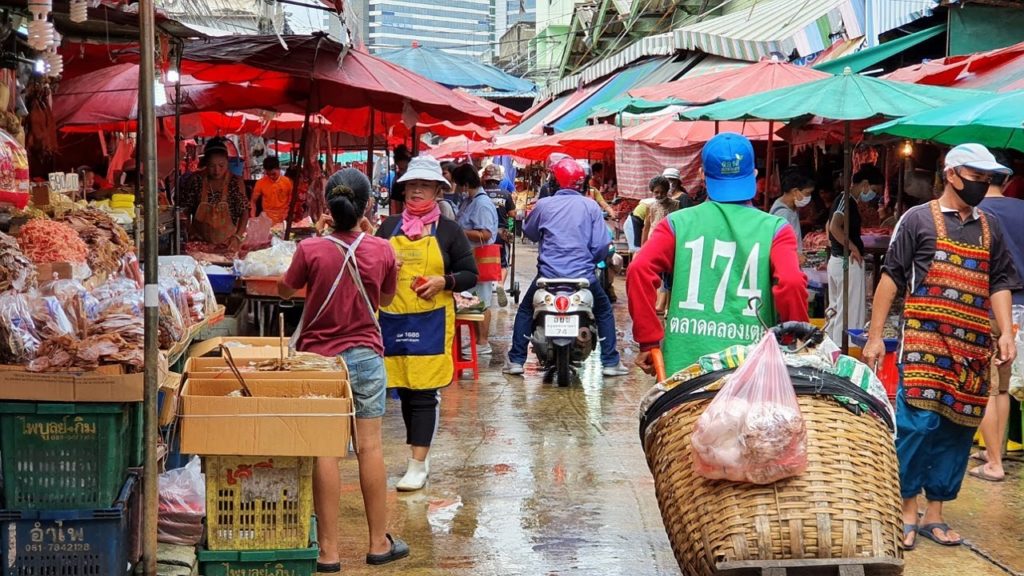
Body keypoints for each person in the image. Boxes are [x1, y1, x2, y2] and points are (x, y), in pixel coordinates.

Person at [863, 144, 1019, 550]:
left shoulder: (990, 227)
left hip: (971, 346)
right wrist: (876, 335)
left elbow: (999, 281)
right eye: (976, 176)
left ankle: (936, 513)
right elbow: (892, 277)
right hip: (924, 340)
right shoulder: (917, 220)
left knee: (958, 428)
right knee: (917, 426)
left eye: (987, 178)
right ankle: (906, 508)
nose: (982, 184)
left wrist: (1005, 331)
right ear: (951, 174)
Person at [278, 168, 409, 569]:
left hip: (320, 363)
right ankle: (377, 545)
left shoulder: (311, 249)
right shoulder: (382, 250)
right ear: (367, 206)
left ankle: (328, 552)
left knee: (325, 451)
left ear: (329, 209)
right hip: (367, 357)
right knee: (369, 447)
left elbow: (285, 289)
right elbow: (384, 300)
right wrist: (372, 242)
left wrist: (319, 237)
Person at [626, 133, 808, 376]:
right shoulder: (776, 229)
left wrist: (648, 340)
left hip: (684, 371)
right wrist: (792, 338)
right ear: (754, 174)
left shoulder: (676, 224)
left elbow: (638, 269)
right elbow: (792, 282)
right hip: (753, 370)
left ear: (702, 174)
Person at [376, 156, 478, 492]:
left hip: (431, 322)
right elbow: (369, 269)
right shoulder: (388, 228)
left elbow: (470, 275)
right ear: (403, 189)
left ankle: (417, 465)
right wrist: (388, 266)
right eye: (411, 184)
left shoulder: (449, 231)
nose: (417, 189)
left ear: (437, 189)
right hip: (392, 319)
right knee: (404, 391)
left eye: (424, 184)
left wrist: (443, 281)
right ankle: (421, 454)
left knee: (423, 393)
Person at [504, 156, 630, 377]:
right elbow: (602, 244)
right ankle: (610, 362)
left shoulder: (543, 205)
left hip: (547, 277)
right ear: (581, 182)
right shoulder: (591, 206)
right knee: (603, 311)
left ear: (554, 181)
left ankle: (516, 360)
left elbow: (530, 233)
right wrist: (589, 263)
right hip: (584, 278)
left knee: (525, 310)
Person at [972, 157, 1024, 483]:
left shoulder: (977, 214)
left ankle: (994, 461)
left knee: (986, 387)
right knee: (1003, 386)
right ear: (1005, 180)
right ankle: (997, 450)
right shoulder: (1021, 207)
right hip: (1022, 306)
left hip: (992, 307)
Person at [826, 164, 883, 344]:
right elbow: (834, 226)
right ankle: (842, 350)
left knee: (839, 310)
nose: (873, 194)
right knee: (847, 311)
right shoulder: (846, 199)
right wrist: (853, 248)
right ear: (865, 184)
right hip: (846, 262)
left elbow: (830, 228)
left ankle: (835, 348)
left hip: (841, 260)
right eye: (873, 190)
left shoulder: (846, 200)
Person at [452, 163, 499, 355]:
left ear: (464, 184)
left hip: (479, 259)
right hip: (468, 259)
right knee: (472, 301)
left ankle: (482, 342)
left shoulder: (481, 204)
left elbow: (486, 233)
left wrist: (460, 232)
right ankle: (475, 340)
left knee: (483, 301)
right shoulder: (469, 201)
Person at [180, 137, 249, 250]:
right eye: (212, 166)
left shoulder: (235, 182)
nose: (217, 170)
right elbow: (185, 210)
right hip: (199, 243)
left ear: (228, 162)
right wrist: (188, 230)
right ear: (206, 163)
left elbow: (244, 212)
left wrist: (237, 237)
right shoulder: (196, 180)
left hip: (227, 244)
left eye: (221, 165)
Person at [483, 163, 517, 308]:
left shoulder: (481, 193)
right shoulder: (505, 194)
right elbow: (512, 214)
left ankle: (482, 289)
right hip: (501, 233)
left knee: (482, 261)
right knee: (503, 262)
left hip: (482, 234)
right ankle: (501, 285)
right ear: (499, 179)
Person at [770, 167, 816, 261]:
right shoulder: (782, 213)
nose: (808, 197)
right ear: (795, 191)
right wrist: (796, 257)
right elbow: (780, 247)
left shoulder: (792, 208)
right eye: (807, 193)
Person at [250, 156, 294, 225]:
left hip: (284, 219)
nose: (271, 177)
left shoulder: (287, 182)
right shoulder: (260, 183)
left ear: (279, 169)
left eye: (273, 174)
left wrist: (287, 213)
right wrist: (253, 217)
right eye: (268, 174)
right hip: (267, 219)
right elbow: (253, 202)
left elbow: (292, 201)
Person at [641, 175, 679, 246]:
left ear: (667, 191)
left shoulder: (676, 205)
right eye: (656, 192)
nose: (660, 195)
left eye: (663, 192)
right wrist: (643, 247)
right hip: (653, 239)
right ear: (652, 192)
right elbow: (646, 227)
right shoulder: (650, 206)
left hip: (669, 239)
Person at [388, 144, 412, 214]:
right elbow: (398, 211)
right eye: (401, 169)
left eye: (406, 168)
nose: (403, 172)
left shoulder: (419, 179)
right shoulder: (397, 184)